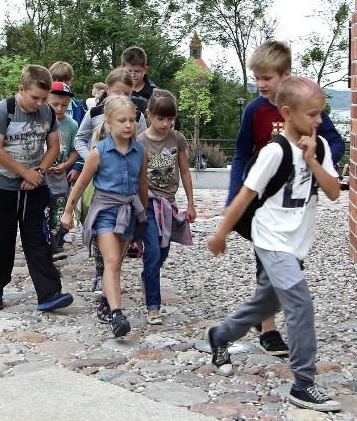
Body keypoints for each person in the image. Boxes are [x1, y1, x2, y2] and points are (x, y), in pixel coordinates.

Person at [206, 76, 342, 412]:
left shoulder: (320, 147)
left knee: (266, 304)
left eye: (321, 114)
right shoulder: (273, 152)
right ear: (288, 113)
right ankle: (303, 383)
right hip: (270, 239)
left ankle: (220, 337)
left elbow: (334, 191)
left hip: (296, 244)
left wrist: (312, 160)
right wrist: (221, 232)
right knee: (300, 303)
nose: (319, 121)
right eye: (313, 115)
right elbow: (245, 195)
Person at [227, 41, 346, 358]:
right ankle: (268, 330)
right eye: (257, 78)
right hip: (265, 202)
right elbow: (241, 155)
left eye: (267, 77)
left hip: (297, 201)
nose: (261, 84)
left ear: (286, 75)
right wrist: (234, 195)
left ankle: (260, 315)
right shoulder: (255, 110)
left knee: (291, 261)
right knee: (267, 263)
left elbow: (333, 141)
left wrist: (317, 161)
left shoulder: (305, 107)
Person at [0, 64, 74, 313]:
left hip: (34, 188)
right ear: (21, 90)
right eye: (35, 97)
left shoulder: (47, 113)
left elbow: (53, 146)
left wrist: (39, 172)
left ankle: (49, 292)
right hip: (1, 187)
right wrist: (25, 173)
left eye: (45, 99)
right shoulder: (3, 111)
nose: (40, 103)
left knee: (39, 240)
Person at [61, 95, 147, 338]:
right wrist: (68, 211)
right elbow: (80, 184)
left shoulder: (140, 151)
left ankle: (107, 304)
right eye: (122, 120)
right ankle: (118, 315)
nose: (128, 125)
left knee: (117, 264)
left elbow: (142, 184)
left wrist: (144, 213)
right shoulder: (98, 152)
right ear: (109, 123)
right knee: (110, 261)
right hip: (105, 211)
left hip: (128, 211)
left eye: (132, 120)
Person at [73, 67, 147, 295]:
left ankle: (111, 276)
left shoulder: (137, 115)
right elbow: (80, 138)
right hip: (99, 178)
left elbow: (142, 143)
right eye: (117, 92)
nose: (122, 98)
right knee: (98, 222)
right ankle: (100, 272)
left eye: (127, 93)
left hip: (125, 178)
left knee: (122, 230)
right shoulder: (95, 112)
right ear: (107, 90)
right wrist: (93, 160)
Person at [137, 90, 196, 325]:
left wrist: (190, 203)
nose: (166, 124)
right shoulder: (141, 141)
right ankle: (153, 306)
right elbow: (139, 175)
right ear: (149, 115)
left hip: (168, 204)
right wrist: (139, 206)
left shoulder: (177, 138)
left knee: (162, 252)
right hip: (149, 202)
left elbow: (184, 170)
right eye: (161, 118)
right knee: (152, 251)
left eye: (170, 119)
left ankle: (147, 277)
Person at [45, 81, 79, 260]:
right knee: (43, 209)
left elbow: (74, 151)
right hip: (42, 175)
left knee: (58, 207)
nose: (59, 108)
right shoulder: (41, 120)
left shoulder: (71, 124)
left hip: (60, 175)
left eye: (64, 105)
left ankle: (56, 242)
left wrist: (66, 166)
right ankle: (44, 242)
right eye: (55, 104)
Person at [121, 46, 158, 116]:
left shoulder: (155, 93)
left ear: (145, 70)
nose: (132, 75)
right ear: (122, 69)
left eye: (137, 71)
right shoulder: (114, 89)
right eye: (128, 71)